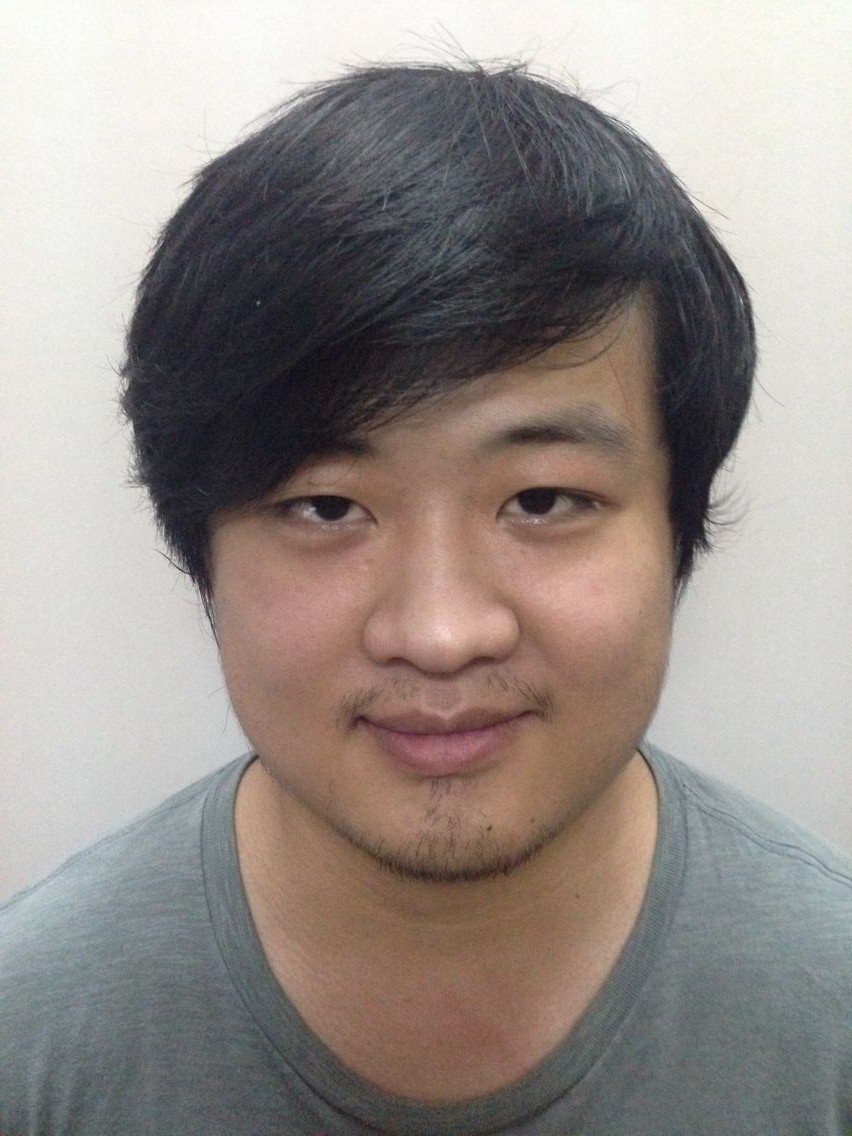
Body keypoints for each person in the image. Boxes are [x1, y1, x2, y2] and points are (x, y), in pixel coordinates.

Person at [1, 61, 849, 1135]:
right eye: (326, 507)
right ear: (199, 546)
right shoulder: (31, 1040)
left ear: (676, 524)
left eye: (542, 499)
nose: (440, 633)